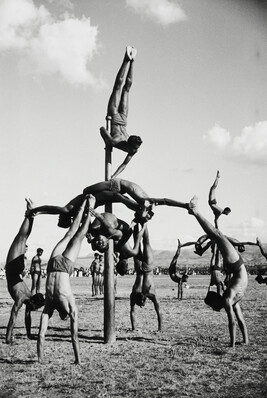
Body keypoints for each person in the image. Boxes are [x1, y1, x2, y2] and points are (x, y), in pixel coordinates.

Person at [37, 195, 95, 364]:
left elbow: (73, 335)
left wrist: (41, 360)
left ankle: (87, 205)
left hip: (61, 267)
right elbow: (43, 334)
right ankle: (86, 206)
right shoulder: (54, 304)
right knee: (75, 234)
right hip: (53, 265)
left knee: (76, 234)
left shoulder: (65, 305)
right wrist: (77, 361)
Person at [188, 196, 248, 348]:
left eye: (213, 308)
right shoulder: (229, 298)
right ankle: (195, 212)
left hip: (238, 270)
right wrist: (235, 344)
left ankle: (196, 212)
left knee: (217, 234)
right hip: (238, 268)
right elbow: (236, 320)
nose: (214, 310)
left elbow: (234, 320)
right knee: (216, 234)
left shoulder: (230, 299)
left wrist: (233, 344)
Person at [5, 199, 45, 344]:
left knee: (23, 237)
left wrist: (28, 334)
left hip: (14, 270)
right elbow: (13, 316)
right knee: (22, 237)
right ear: (33, 303)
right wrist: (8, 338)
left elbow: (23, 316)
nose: (33, 310)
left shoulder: (28, 297)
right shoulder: (24, 298)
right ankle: (30, 214)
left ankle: (31, 215)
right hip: (12, 268)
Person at [100, 46, 142, 178]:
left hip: (119, 119)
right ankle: (129, 60)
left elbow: (123, 165)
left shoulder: (131, 147)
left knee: (122, 88)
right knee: (122, 88)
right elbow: (101, 129)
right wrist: (108, 139)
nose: (136, 150)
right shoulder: (117, 141)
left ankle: (130, 60)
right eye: (136, 147)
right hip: (120, 119)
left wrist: (113, 176)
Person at [127, 224, 162, 331]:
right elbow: (132, 312)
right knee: (138, 242)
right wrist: (159, 329)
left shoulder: (151, 293)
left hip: (148, 268)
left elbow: (159, 311)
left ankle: (144, 222)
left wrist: (160, 328)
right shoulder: (135, 293)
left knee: (146, 242)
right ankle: (142, 222)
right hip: (139, 269)